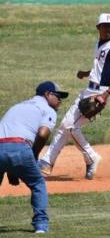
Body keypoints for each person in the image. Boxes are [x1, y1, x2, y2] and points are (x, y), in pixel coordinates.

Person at [38, 13, 110, 180]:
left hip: (99, 94)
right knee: (65, 125)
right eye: (106, 26)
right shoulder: (99, 43)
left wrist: (105, 95)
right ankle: (46, 163)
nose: (109, 29)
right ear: (98, 28)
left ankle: (91, 157)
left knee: (71, 127)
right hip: (88, 90)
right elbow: (102, 69)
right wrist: (86, 73)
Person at [0, 81, 68, 233]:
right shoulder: (48, 109)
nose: (60, 100)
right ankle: (41, 226)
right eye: (58, 96)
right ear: (47, 94)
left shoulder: (17, 106)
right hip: (20, 148)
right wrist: (34, 154)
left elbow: (7, 139)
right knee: (38, 184)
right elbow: (43, 134)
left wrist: (11, 170)